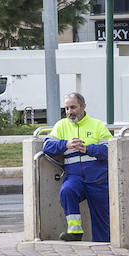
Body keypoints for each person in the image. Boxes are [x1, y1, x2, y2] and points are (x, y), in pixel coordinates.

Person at [43, 92, 112, 242]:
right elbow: (47, 146)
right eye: (67, 108)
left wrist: (88, 149)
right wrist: (65, 144)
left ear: (83, 106)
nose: (69, 112)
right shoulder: (61, 125)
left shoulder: (98, 125)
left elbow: (110, 149)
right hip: (75, 178)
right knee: (67, 191)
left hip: (99, 180)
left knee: (102, 224)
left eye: (73, 107)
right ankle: (75, 232)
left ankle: (103, 251)